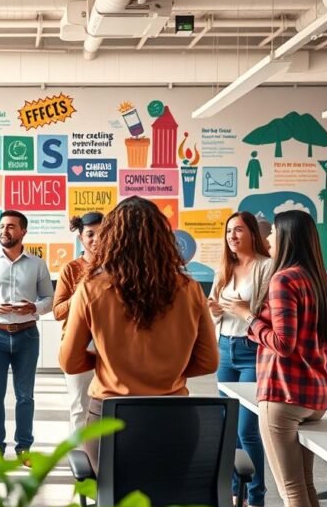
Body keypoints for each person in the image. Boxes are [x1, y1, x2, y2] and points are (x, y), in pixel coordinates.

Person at [220, 210, 327, 507]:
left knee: (292, 489)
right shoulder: (325, 281)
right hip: (315, 398)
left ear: (287, 236)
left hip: (283, 396)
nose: (269, 238)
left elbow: (283, 344)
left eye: (273, 231)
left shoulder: (283, 280)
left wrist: (249, 318)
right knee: (305, 484)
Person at [58, 196, 218, 465]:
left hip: (110, 419)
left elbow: (69, 362)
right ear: (162, 237)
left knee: (113, 500)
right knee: (169, 500)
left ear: (110, 237)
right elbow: (208, 361)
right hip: (174, 419)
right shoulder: (189, 289)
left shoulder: (91, 289)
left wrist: (107, 362)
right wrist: (166, 368)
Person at [0, 210, 54, 468]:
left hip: (27, 335)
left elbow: (49, 299)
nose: (5, 231)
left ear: (23, 231)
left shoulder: (37, 263)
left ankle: (24, 448)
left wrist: (34, 308)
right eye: (2, 226)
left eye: (11, 227)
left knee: (25, 396)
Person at [207, 211, 273, 507]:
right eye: (229, 231)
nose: (232, 236)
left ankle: (257, 497)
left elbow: (268, 314)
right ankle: (237, 493)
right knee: (229, 428)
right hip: (224, 347)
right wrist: (213, 309)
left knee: (248, 429)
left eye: (239, 230)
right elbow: (213, 304)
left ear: (251, 233)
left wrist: (246, 313)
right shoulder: (224, 267)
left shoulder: (265, 266)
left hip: (251, 351)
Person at [52, 211, 103, 435]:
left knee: (107, 404)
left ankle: (103, 455)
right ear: (80, 237)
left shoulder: (119, 268)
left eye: (103, 234)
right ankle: (80, 457)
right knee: (79, 406)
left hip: (111, 344)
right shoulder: (71, 269)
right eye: (90, 234)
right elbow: (57, 312)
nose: (96, 240)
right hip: (78, 344)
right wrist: (81, 294)